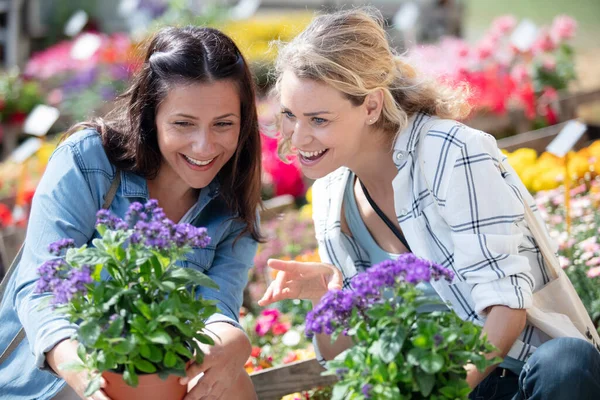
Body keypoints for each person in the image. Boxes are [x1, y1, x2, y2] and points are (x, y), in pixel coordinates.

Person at [258, 8, 600, 400]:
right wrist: (326, 300)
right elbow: (349, 359)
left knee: (567, 361)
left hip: (513, 379)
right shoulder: (331, 196)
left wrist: (446, 393)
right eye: (289, 115)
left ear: (371, 106)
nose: (298, 138)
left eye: (318, 120)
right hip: (424, 387)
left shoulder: (452, 153)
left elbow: (506, 310)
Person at [0, 26, 261, 400]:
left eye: (223, 124)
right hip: (49, 383)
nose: (204, 146)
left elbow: (215, 305)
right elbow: (40, 285)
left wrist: (231, 338)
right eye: (183, 124)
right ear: (151, 116)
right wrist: (84, 375)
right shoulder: (88, 160)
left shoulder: (232, 203)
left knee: (233, 383)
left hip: (149, 376)